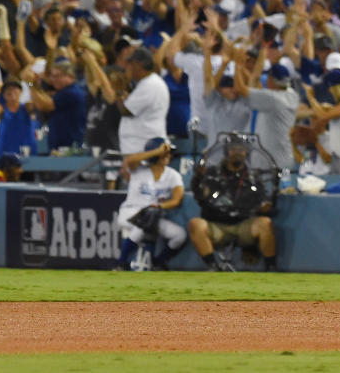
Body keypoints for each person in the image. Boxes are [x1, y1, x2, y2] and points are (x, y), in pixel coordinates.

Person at [188, 135, 277, 271]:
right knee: (196, 224)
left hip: (243, 225)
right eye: (233, 149)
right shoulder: (212, 173)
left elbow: (263, 202)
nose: (237, 153)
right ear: (226, 152)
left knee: (265, 223)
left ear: (246, 153)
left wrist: (265, 208)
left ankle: (271, 268)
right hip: (217, 225)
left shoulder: (253, 177)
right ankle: (213, 266)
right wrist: (198, 177)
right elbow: (200, 194)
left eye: (241, 150)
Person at [114, 137, 186, 271]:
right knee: (143, 225)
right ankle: (121, 263)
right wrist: (156, 151)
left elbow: (176, 199)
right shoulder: (138, 170)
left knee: (179, 234)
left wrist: (159, 206)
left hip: (154, 215)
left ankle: (157, 262)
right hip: (130, 212)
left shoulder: (173, 175)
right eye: (164, 153)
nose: (167, 155)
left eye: (168, 153)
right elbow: (129, 161)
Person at [117, 47, 170, 154]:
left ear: (139, 64)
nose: (128, 67)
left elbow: (126, 111)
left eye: (130, 64)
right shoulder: (148, 83)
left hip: (143, 147)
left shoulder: (150, 84)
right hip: (142, 145)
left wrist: (119, 89)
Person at [29, 61, 87, 153]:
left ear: (69, 76)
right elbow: (42, 100)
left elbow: (43, 105)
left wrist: (30, 84)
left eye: (57, 76)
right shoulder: (62, 92)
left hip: (69, 148)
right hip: (59, 147)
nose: (53, 80)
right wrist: (34, 84)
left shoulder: (72, 93)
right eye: (52, 76)